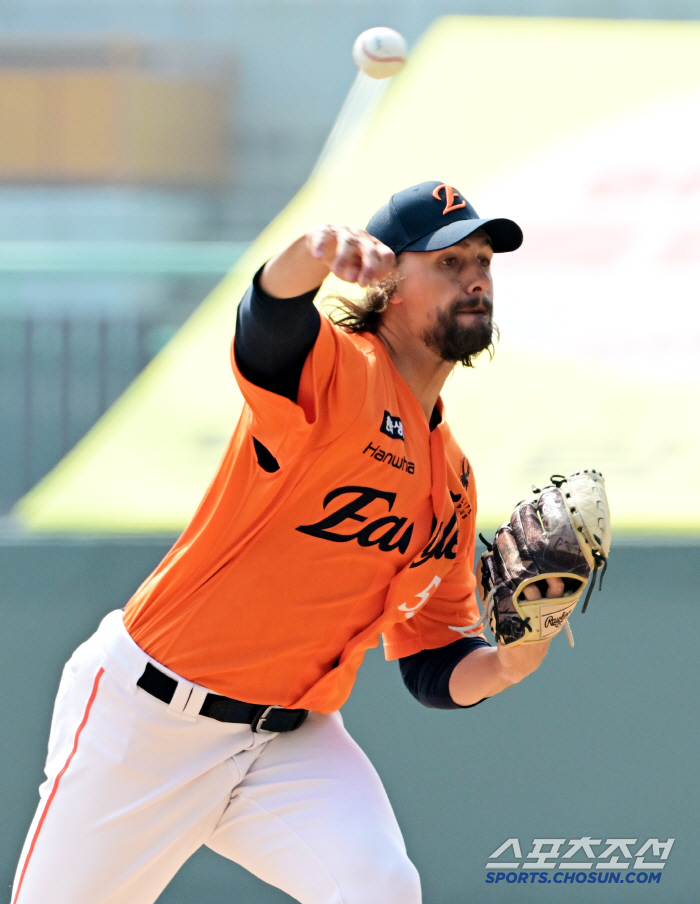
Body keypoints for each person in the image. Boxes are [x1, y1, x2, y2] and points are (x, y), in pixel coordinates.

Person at [12, 181, 562, 904]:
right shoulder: (338, 372)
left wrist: (513, 661)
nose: (475, 278)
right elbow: (269, 321)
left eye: (483, 261)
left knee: (381, 888)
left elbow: (433, 660)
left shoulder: (453, 481)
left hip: (288, 743)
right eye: (448, 261)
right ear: (390, 281)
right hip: (150, 722)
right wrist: (311, 254)